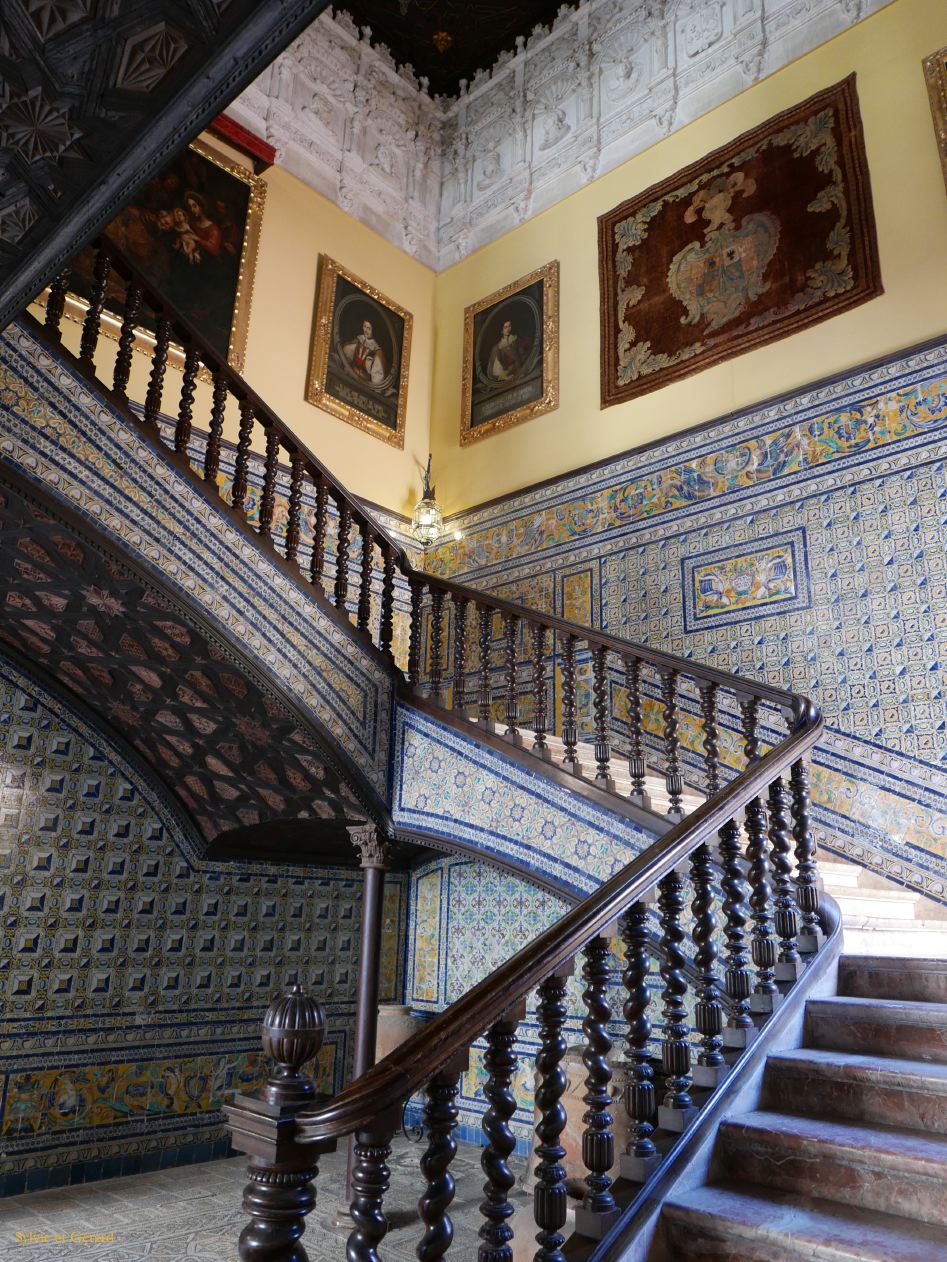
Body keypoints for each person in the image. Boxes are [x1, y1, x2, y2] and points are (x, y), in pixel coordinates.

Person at [342, 319, 387, 386]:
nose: (365, 330)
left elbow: (377, 380)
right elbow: (346, 355)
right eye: (364, 326)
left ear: (374, 330)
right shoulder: (359, 340)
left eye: (368, 328)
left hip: (365, 385)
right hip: (351, 375)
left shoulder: (377, 352)